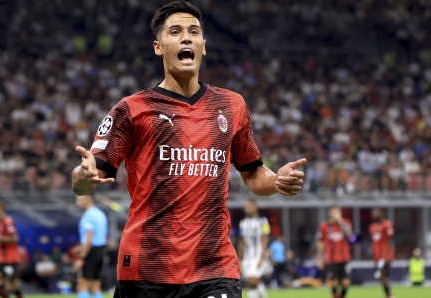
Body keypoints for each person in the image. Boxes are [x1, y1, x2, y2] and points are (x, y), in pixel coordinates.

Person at [71, 1, 306, 297]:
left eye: (194, 32)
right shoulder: (132, 110)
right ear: (158, 46)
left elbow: (254, 173)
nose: (186, 37)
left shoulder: (232, 106)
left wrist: (278, 181)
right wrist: (82, 175)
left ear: (203, 46)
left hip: (214, 266)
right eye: (175, 31)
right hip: (147, 267)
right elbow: (84, 183)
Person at [0, 201, 23, 298]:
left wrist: (0, 238)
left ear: (0, 209)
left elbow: (15, 238)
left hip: (10, 258)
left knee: (13, 285)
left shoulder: (7, 221)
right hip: (0, 258)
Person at [75, 195, 108, 298]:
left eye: (79, 199)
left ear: (89, 198)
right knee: (95, 286)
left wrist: (81, 258)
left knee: (82, 284)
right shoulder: (100, 214)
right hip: (101, 250)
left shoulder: (88, 215)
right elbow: (100, 236)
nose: (77, 202)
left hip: (91, 252)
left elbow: (89, 238)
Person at [317, 206, 352, 298]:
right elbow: (321, 243)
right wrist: (319, 259)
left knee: (346, 283)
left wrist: (340, 222)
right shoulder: (324, 226)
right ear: (330, 213)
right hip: (331, 258)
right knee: (334, 282)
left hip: (344, 257)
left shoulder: (346, 223)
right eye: (334, 212)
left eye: (338, 212)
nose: (336, 214)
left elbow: (349, 235)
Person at [238, 199, 270, 298]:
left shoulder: (263, 221)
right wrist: (239, 258)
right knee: (252, 281)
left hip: (258, 255)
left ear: (255, 207)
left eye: (249, 207)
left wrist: (262, 256)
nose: (246, 209)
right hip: (247, 256)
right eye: (245, 207)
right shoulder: (242, 223)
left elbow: (265, 239)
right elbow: (242, 241)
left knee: (252, 281)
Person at [369, 208, 395, 298]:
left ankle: (390, 295)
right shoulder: (372, 227)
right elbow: (373, 240)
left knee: (381, 275)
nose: (374, 214)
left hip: (385, 255)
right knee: (382, 277)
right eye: (373, 213)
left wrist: (387, 255)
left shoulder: (386, 224)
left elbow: (390, 240)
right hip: (377, 256)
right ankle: (388, 295)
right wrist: (371, 249)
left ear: (381, 213)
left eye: (376, 212)